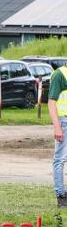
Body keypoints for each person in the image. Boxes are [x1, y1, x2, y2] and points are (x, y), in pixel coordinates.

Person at [47, 66, 67, 208]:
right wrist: (57, 127)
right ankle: (61, 196)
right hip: (64, 122)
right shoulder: (59, 74)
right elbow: (51, 102)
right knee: (60, 159)